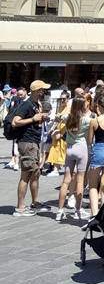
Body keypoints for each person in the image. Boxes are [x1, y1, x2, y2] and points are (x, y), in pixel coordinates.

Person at [11, 80, 52, 216]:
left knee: (35, 172)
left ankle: (35, 202)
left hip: (33, 142)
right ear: (36, 91)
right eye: (42, 90)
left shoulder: (35, 104)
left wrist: (41, 118)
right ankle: (20, 208)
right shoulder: (27, 104)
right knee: (26, 174)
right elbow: (15, 122)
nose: (43, 92)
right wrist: (33, 119)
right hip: (27, 142)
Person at [56, 96, 92, 221]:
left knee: (66, 181)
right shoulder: (87, 120)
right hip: (81, 148)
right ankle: (78, 210)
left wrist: (59, 114)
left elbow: (58, 116)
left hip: (69, 148)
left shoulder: (68, 117)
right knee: (80, 181)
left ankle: (60, 211)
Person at [5, 87, 27, 171]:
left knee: (20, 145)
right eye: (18, 95)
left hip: (24, 127)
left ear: (25, 92)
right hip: (17, 126)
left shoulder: (28, 101)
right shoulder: (17, 100)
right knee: (16, 144)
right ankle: (15, 161)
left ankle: (18, 162)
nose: (20, 96)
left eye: (21, 94)